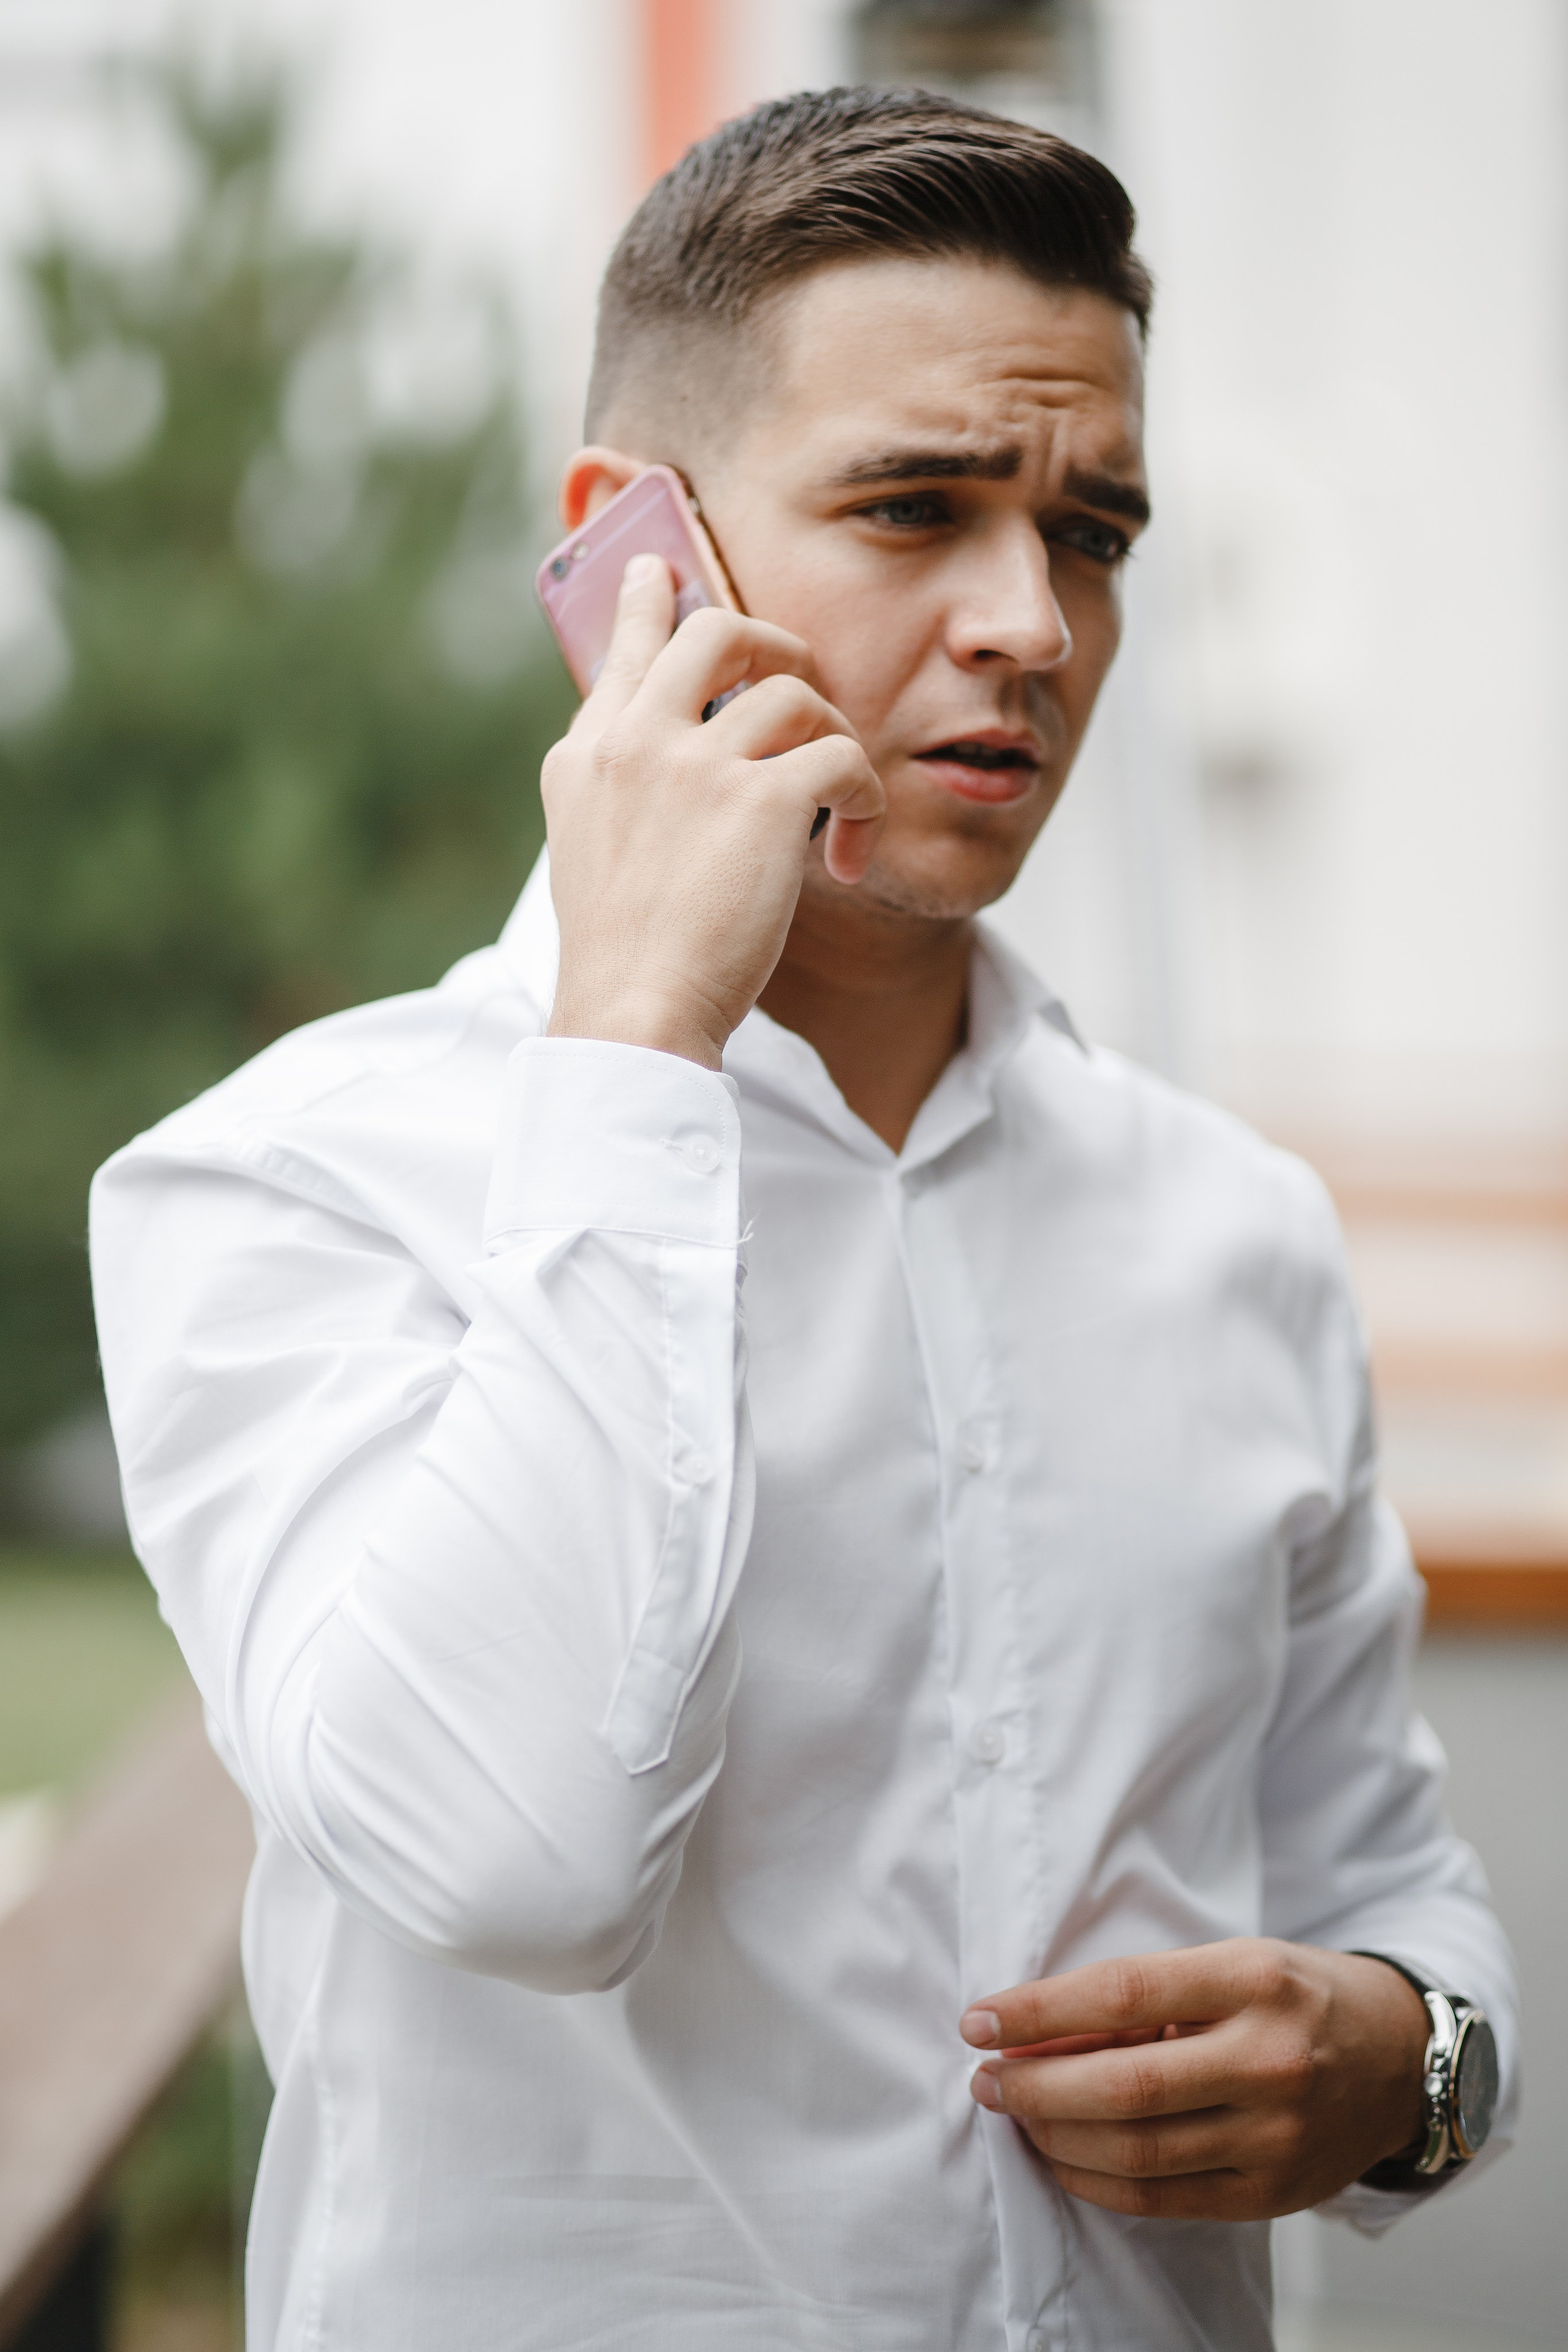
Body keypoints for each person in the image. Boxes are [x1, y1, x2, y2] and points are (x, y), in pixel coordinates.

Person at [91, 87, 1515, 2352]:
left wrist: (1411, 2073)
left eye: (1096, 530)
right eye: (916, 506)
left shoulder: (1232, 1228)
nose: (1031, 625)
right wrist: (642, 1031)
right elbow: (520, 1861)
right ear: (629, 549)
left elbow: (1395, 1888)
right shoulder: (286, 1186)